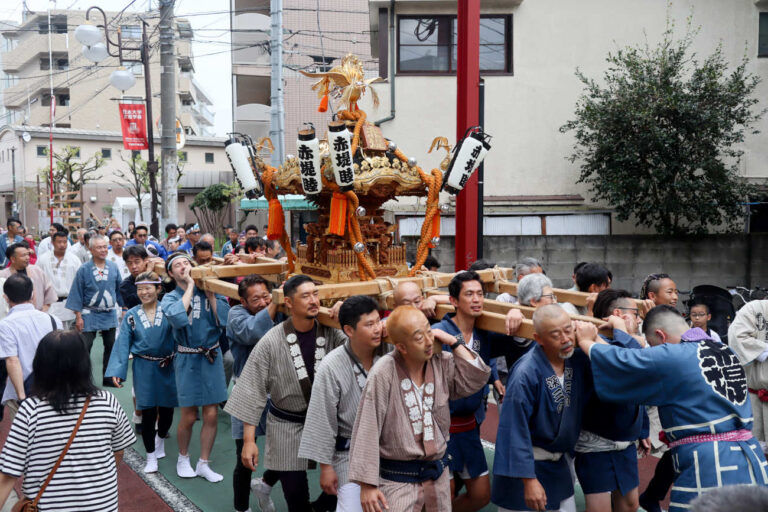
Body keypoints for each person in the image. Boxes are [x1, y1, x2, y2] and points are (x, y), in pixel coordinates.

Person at [576, 305, 768, 512]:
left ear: (661, 336)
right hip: (749, 453)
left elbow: (623, 361)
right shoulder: (722, 349)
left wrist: (587, 340)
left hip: (710, 460)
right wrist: (618, 331)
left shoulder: (674, 355)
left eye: (653, 345)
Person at [348, 306, 491, 512]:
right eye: (418, 337)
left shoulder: (440, 361)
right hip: (397, 482)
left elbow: (475, 378)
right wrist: (367, 485)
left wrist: (453, 341)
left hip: (437, 476)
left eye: (428, 331)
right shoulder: (384, 372)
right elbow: (368, 426)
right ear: (402, 347)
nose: (428, 341)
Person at [225, 275, 347, 511]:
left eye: (315, 294)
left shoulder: (332, 333)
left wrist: (346, 314)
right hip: (285, 426)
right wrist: (249, 441)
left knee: (340, 488)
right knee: (295, 495)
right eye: (305, 296)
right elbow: (252, 389)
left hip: (324, 423)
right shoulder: (271, 340)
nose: (313, 301)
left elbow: (359, 348)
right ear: (288, 302)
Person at [0, 330, 136, 512]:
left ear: (41, 365)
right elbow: (118, 451)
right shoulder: (107, 401)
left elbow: (8, 474)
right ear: (84, 364)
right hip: (102, 506)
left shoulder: (30, 410)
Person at [431, 272, 523, 512]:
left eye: (480, 294)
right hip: (439, 427)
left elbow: (517, 340)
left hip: (470, 426)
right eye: (469, 294)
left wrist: (516, 313)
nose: (476, 299)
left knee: (481, 495)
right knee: (442, 497)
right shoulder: (438, 331)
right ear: (453, 301)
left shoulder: (485, 333)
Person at [492, 305, 591, 512]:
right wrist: (529, 481)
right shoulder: (526, 374)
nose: (565, 339)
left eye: (568, 330)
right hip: (529, 468)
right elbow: (514, 430)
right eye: (556, 335)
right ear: (538, 339)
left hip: (559, 465)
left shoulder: (575, 359)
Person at [298, 296, 388, 512]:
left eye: (378, 321)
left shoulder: (391, 351)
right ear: (349, 330)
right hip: (349, 454)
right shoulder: (331, 365)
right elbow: (322, 418)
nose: (377, 329)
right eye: (369, 324)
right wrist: (326, 467)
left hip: (389, 449)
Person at [574, 289, 648, 512]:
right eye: (635, 313)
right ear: (619, 315)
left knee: (630, 504)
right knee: (599, 509)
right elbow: (629, 364)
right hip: (595, 437)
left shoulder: (629, 342)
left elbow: (640, 390)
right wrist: (621, 330)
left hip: (625, 436)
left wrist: (642, 429)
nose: (638, 319)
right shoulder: (589, 345)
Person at [161, 251, 229, 482]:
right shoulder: (170, 298)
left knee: (211, 414)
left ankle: (204, 463)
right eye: (177, 265)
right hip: (187, 357)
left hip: (211, 354)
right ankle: (183, 457)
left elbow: (225, 322)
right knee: (189, 416)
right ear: (170, 273)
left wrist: (211, 295)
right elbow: (178, 319)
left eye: (186, 263)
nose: (183, 267)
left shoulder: (210, 289)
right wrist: (190, 287)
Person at [105, 270, 177, 474]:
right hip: (143, 366)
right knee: (147, 412)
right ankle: (150, 455)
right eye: (140, 289)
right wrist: (117, 370)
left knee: (167, 411)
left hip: (167, 365)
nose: (143, 292)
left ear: (158, 289)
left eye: (148, 288)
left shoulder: (169, 310)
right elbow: (123, 343)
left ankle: (160, 439)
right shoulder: (131, 315)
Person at [226, 275, 282, 512]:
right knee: (244, 458)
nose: (262, 302)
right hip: (247, 392)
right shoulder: (236, 314)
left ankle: (266, 483)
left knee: (287, 451)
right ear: (243, 301)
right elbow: (252, 331)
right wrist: (275, 302)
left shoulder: (280, 308)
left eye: (266, 296)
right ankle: (241, 508)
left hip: (279, 393)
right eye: (255, 299)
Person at [638, 272, 680, 511]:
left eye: (676, 291)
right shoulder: (636, 319)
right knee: (635, 451)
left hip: (668, 395)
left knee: (677, 446)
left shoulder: (675, 319)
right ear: (652, 296)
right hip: (643, 398)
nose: (675, 296)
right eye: (669, 292)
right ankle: (625, 498)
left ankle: (652, 495)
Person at [0, 274, 62, 421]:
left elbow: (12, 360)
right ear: (33, 294)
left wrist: (22, 398)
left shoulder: (6, 325)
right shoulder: (53, 320)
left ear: (6, 298)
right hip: (55, 387)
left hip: (26, 391)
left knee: (26, 437)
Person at [65, 235, 123, 386]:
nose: (103, 250)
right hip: (88, 313)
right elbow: (76, 293)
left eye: (105, 247)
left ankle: (109, 378)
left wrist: (123, 307)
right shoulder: (84, 269)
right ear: (90, 249)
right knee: (85, 346)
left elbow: (119, 290)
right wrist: (78, 317)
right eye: (99, 247)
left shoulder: (113, 267)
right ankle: (81, 380)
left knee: (111, 345)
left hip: (109, 312)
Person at [729, 299, 768, 452]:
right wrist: (764, 348)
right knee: (755, 448)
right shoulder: (754, 308)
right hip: (756, 393)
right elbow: (737, 336)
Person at [36, 231, 82, 329]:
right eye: (59, 242)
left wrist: (78, 310)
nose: (62, 245)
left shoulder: (74, 260)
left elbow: (80, 284)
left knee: (67, 338)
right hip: (48, 305)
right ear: (52, 242)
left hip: (68, 304)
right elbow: (37, 282)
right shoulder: (43, 259)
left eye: (64, 242)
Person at [0, 242, 57, 312]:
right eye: (23, 255)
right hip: (12, 316)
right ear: (13, 259)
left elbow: (49, 291)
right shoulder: (2, 275)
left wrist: (44, 309)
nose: (27, 258)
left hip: (38, 313)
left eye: (28, 254)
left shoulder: (37, 271)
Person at [119, 245, 150, 310]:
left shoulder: (158, 278)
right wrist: (148, 275)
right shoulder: (125, 286)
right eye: (130, 263)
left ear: (146, 260)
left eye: (137, 262)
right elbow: (141, 303)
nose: (133, 266)